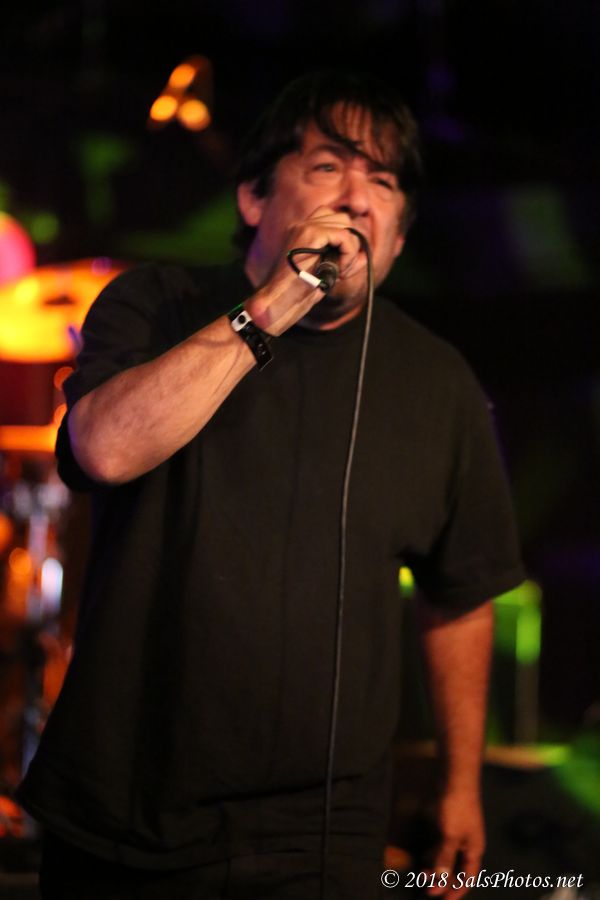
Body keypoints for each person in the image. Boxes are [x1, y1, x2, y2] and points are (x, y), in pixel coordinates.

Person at [18, 71, 524, 899]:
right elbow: (103, 451)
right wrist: (277, 304)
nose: (356, 198)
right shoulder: (155, 304)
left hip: (320, 835)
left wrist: (460, 783)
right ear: (254, 197)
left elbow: (460, 594)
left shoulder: (440, 384)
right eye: (329, 167)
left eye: (384, 182)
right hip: (125, 819)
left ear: (399, 239)